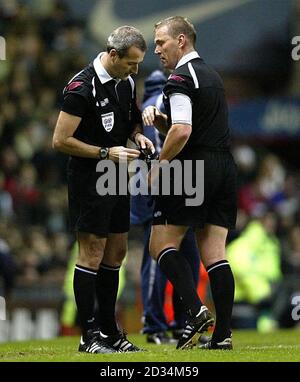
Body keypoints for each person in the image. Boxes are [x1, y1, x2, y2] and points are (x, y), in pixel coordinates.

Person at [53, 26, 154, 353]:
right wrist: (104, 152)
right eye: (131, 63)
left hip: (117, 177)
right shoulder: (81, 87)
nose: (135, 70)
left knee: (117, 253)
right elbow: (60, 140)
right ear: (113, 55)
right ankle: (88, 336)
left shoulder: (125, 82)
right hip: (89, 180)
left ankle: (110, 332)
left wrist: (138, 136)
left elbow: (131, 120)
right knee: (92, 253)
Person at [142, 16, 237, 350]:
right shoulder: (212, 75)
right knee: (215, 254)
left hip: (193, 169)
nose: (156, 50)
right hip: (223, 167)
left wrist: (160, 165)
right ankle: (223, 335)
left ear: (181, 41)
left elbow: (183, 131)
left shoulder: (179, 78)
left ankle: (196, 311)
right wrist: (166, 122)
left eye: (161, 43)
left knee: (160, 244)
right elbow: (191, 126)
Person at [130, 70, 200, 344]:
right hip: (165, 187)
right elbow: (165, 148)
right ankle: (157, 325)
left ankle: (176, 323)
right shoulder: (160, 103)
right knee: (163, 257)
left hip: (161, 187)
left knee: (169, 257)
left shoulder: (147, 106)